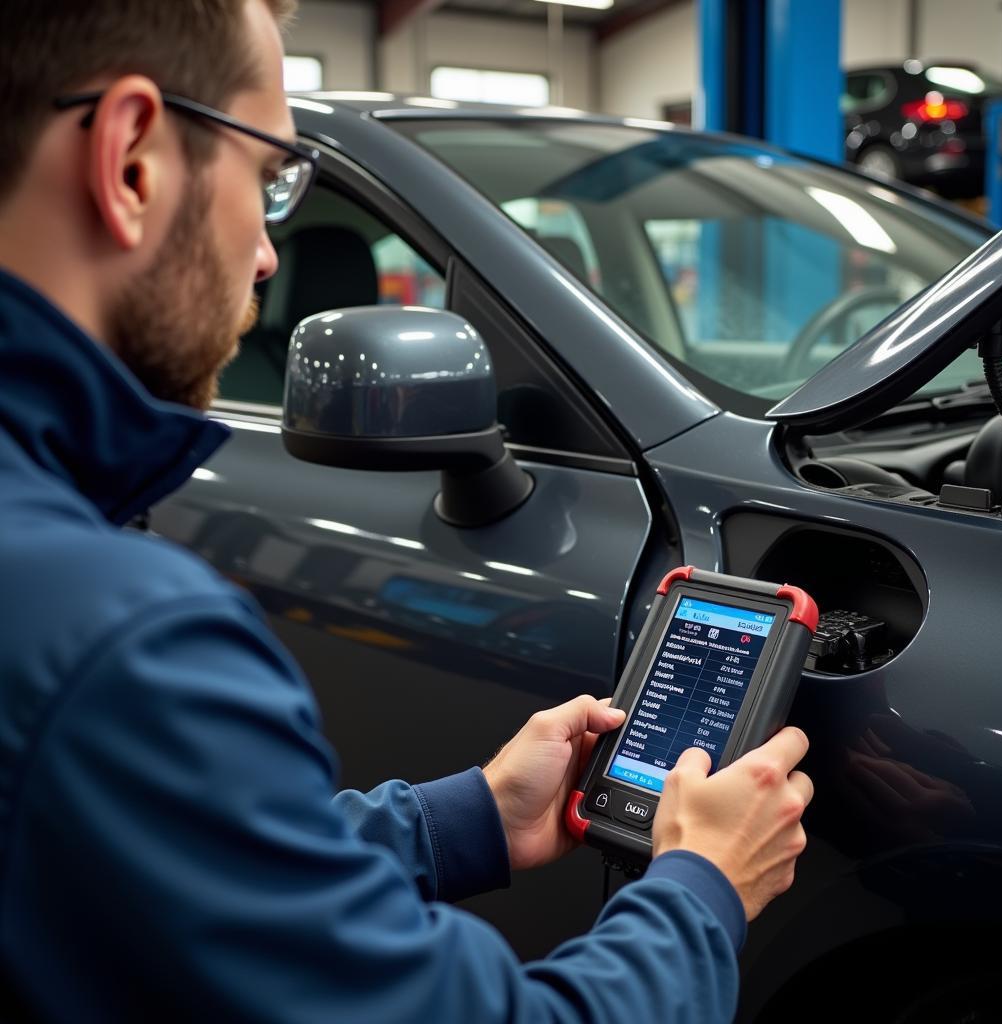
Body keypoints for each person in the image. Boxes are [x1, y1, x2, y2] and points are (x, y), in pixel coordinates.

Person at [0, 2, 813, 1020]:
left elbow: (173, 868)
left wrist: (462, 819)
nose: (265, 257)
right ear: (131, 163)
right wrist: (704, 887)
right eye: (268, 177)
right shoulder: (116, 642)